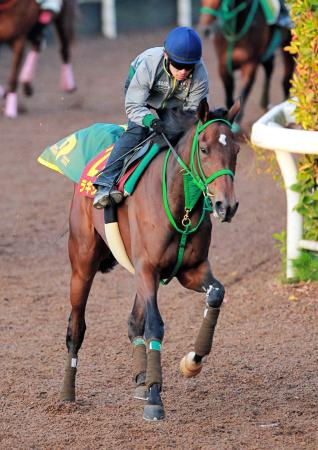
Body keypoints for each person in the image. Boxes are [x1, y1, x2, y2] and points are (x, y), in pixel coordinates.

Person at [93, 26, 209, 209]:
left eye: (189, 67)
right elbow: (134, 106)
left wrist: (176, 127)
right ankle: (105, 182)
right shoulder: (148, 64)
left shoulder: (200, 75)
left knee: (183, 137)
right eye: (178, 65)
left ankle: (198, 188)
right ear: (166, 56)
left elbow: (192, 114)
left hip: (173, 101)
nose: (184, 72)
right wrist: (151, 121)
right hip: (142, 94)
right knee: (138, 132)